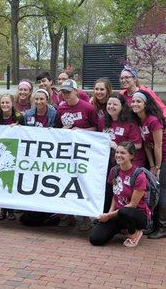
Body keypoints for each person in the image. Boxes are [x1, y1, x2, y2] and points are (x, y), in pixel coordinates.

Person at [131, 90, 166, 239]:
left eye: (138, 101)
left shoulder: (153, 120)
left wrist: (158, 168)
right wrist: (152, 165)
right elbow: (147, 145)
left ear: (146, 104)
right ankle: (153, 224)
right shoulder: (140, 120)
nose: (135, 104)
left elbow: (158, 146)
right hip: (157, 158)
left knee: (161, 188)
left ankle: (163, 227)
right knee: (154, 189)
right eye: (133, 101)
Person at [89, 142, 150, 247]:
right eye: (117, 152)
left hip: (136, 215)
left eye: (123, 153)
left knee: (125, 211)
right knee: (95, 239)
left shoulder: (139, 175)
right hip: (118, 214)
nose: (118, 155)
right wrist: (109, 215)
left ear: (131, 155)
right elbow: (115, 194)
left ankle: (134, 233)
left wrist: (108, 215)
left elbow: (133, 205)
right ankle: (122, 228)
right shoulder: (114, 171)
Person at [55, 79, 97, 230]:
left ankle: (85, 217)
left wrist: (81, 132)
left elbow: (97, 129)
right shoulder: (61, 109)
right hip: (67, 153)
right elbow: (58, 129)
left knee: (82, 182)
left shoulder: (88, 108)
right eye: (63, 92)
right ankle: (68, 215)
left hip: (84, 152)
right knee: (67, 182)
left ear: (76, 91)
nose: (66, 95)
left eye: (68, 91)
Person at [99, 93, 144, 213]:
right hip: (108, 162)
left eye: (115, 104)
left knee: (123, 190)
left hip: (127, 163)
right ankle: (106, 214)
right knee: (108, 190)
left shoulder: (129, 122)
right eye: (109, 104)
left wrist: (117, 146)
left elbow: (138, 144)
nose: (111, 106)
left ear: (122, 106)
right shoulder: (103, 120)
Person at [0, 93, 24, 220]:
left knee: (11, 181)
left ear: (12, 103)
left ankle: (11, 210)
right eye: (2, 103)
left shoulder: (19, 117)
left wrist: (19, 128)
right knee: (1, 181)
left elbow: (27, 134)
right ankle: (2, 210)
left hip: (14, 153)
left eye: (7, 103)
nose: (5, 105)